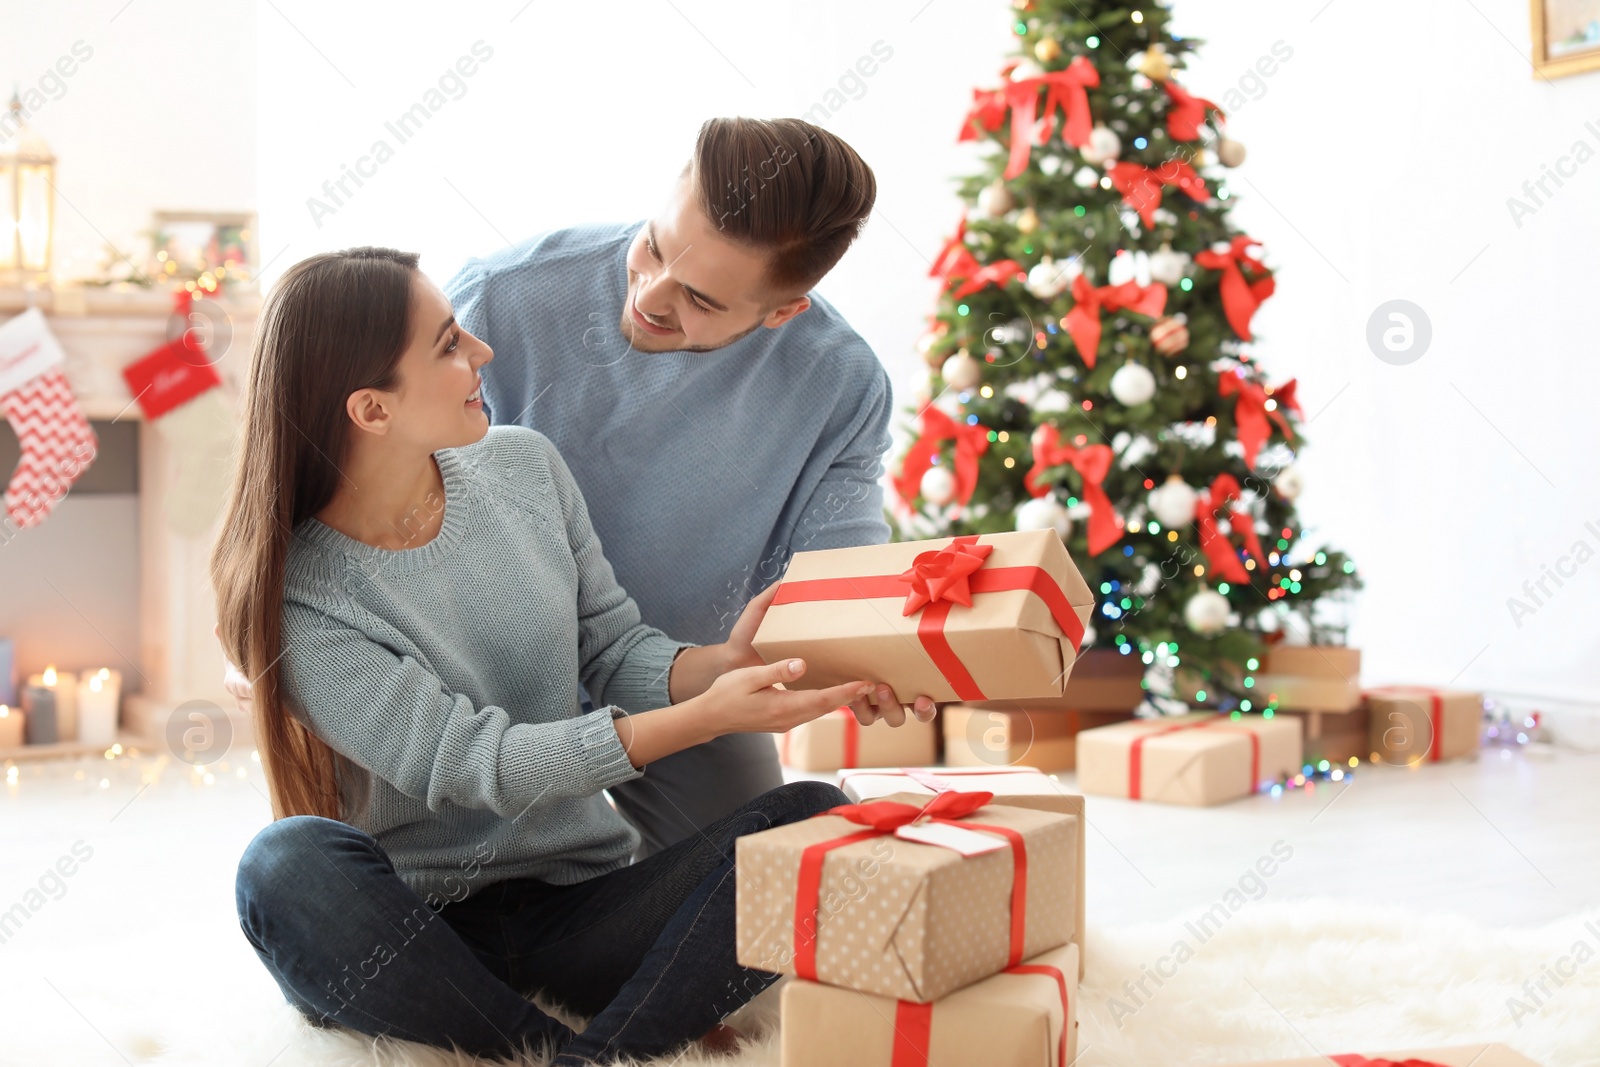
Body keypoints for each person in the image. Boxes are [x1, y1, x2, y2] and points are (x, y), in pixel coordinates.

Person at [213, 247, 929, 1064]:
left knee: (814, 816)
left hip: (585, 909)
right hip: (422, 931)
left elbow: (613, 649)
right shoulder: (303, 598)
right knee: (284, 865)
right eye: (449, 344)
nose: (481, 352)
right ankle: (565, 1046)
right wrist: (702, 719)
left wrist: (724, 666)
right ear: (373, 410)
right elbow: (482, 763)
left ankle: (590, 1054)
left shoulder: (524, 466)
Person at [444, 116, 926, 856]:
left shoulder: (841, 383)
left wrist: (886, 660)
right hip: (488, 670)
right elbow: (356, 472)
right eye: (654, 246)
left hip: (687, 676)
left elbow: (840, 583)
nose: (651, 295)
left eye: (700, 300)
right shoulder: (502, 298)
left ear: (783, 312)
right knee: (462, 897)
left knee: (758, 878)